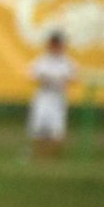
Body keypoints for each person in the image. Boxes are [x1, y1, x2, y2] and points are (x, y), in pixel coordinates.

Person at [26, 30, 78, 160]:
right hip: (44, 96)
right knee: (39, 128)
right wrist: (46, 79)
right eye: (52, 44)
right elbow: (33, 75)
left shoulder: (67, 62)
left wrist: (58, 80)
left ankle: (53, 157)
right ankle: (38, 156)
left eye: (57, 44)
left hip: (58, 97)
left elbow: (72, 78)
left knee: (57, 129)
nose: (55, 47)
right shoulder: (42, 60)